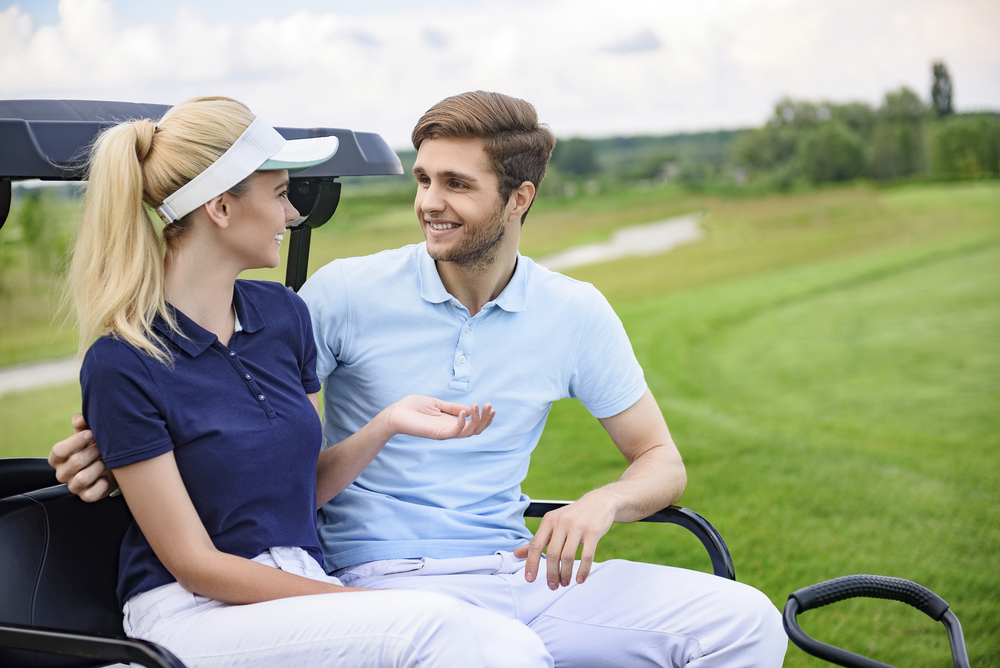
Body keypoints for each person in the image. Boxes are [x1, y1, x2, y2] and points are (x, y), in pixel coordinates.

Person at [53, 91, 787, 667]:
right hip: (364, 581)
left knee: (745, 620)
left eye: (455, 184)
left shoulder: (280, 316)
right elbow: (204, 439)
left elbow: (660, 461)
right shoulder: (333, 298)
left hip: (511, 567)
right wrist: (105, 450)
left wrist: (601, 504)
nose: (428, 203)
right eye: (424, 179)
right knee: (476, 645)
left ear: (519, 198)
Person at [59, 94, 551, 668]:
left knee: (511, 642)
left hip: (296, 584)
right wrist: (355, 600)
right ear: (220, 207)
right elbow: (194, 563)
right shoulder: (124, 361)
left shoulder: (282, 316)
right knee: (430, 624)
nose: (292, 213)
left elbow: (298, 487)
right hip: (192, 610)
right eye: (279, 194)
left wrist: (386, 424)